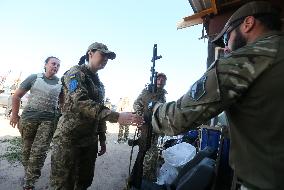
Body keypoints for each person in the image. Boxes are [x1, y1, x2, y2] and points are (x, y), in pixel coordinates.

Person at [148, 1, 284, 189]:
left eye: (227, 36)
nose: (226, 47)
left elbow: (176, 119)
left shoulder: (246, 60)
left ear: (248, 23)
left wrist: (152, 111)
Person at [50, 42, 142, 190]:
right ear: (90, 53)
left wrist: (102, 138)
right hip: (69, 139)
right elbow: (80, 102)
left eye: (108, 57)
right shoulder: (75, 74)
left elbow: (98, 113)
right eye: (103, 55)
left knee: (84, 181)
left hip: (89, 141)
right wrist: (116, 116)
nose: (105, 59)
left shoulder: (99, 85)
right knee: (62, 183)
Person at [10, 56, 62, 190]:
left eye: (58, 65)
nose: (55, 67)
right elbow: (16, 96)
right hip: (28, 120)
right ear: (45, 65)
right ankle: (29, 173)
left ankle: (29, 183)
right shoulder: (34, 78)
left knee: (39, 152)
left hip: (48, 121)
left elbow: (63, 102)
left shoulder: (61, 83)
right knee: (27, 151)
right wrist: (14, 116)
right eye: (53, 63)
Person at [133, 72, 167, 182]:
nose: (160, 81)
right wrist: (141, 117)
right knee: (147, 154)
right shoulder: (147, 92)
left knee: (152, 154)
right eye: (158, 79)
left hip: (155, 129)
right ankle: (141, 179)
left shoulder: (163, 96)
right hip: (146, 127)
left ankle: (145, 178)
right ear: (154, 80)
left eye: (163, 80)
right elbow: (136, 104)